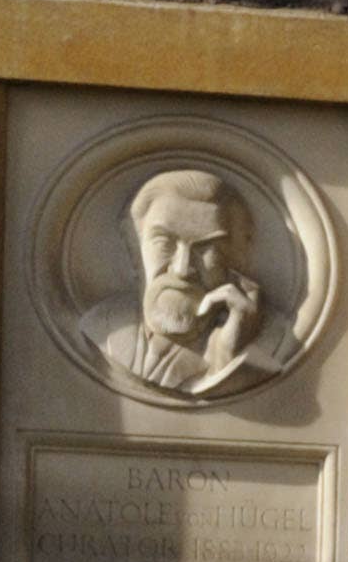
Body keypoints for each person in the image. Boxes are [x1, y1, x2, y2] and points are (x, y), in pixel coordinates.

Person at [96, 166, 272, 400]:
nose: (182, 269)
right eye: (164, 242)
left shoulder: (267, 339)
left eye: (206, 248)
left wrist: (228, 358)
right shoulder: (99, 325)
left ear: (236, 257)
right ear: (134, 248)